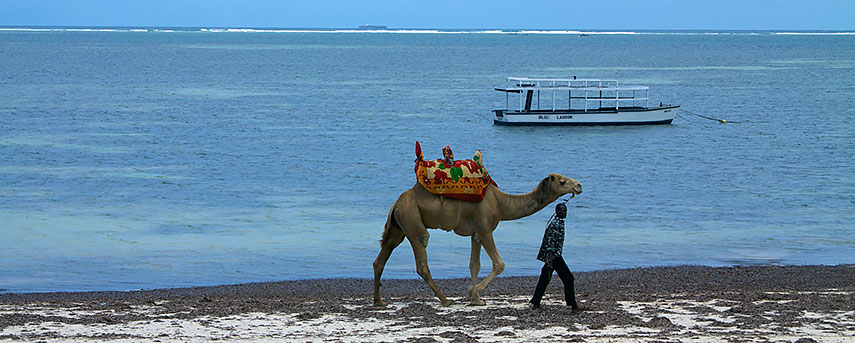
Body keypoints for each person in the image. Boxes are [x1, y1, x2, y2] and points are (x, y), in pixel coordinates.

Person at [529, 203, 579, 310]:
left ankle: (535, 301)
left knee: (544, 279)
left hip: (553, 256)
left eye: (565, 210)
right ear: (557, 212)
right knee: (569, 279)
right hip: (554, 257)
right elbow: (551, 244)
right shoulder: (556, 224)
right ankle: (572, 304)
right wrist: (550, 262)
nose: (565, 213)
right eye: (562, 211)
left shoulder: (559, 222)